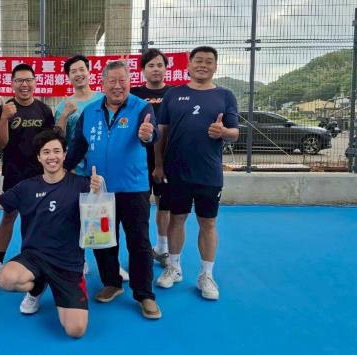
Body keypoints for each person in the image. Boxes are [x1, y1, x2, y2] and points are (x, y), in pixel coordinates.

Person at [0, 128, 102, 338]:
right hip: (34, 257)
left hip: (68, 264)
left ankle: (61, 286)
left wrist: (98, 191)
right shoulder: (26, 187)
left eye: (56, 151)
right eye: (46, 152)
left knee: (76, 330)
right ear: (39, 157)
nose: (52, 157)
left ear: (64, 154)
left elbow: (99, 219)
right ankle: (36, 288)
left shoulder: (82, 185)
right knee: (7, 280)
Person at [65, 60, 162, 319]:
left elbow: (151, 135)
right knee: (103, 239)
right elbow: (78, 146)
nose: (118, 86)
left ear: (129, 82)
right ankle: (111, 283)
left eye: (123, 81)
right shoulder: (90, 111)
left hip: (133, 187)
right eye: (112, 81)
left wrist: (148, 135)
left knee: (139, 242)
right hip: (99, 187)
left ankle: (144, 294)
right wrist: (61, 170)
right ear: (103, 83)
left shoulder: (141, 108)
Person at [153, 46, 239, 300]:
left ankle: (206, 275)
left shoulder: (225, 95)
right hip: (176, 172)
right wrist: (159, 165)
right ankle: (174, 267)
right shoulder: (173, 94)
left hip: (208, 173)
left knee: (208, 223)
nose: (203, 65)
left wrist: (223, 132)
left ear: (215, 66)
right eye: (198, 60)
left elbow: (235, 132)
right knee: (176, 219)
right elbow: (161, 133)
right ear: (188, 65)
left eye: (209, 61)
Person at [55, 54, 128, 280]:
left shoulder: (103, 99)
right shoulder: (64, 105)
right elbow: (58, 138)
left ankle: (113, 265)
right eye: (73, 71)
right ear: (68, 77)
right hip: (77, 172)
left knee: (106, 219)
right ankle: (80, 260)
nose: (78, 74)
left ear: (89, 72)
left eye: (81, 69)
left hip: (103, 172)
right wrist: (64, 115)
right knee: (77, 218)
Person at [0, 63, 55, 286]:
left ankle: (42, 262)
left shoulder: (44, 110)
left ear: (35, 82)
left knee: (40, 219)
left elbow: (50, 145)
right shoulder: (4, 108)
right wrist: (4, 118)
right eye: (19, 80)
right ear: (12, 84)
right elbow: (2, 143)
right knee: (8, 216)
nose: (24, 84)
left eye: (28, 80)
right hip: (14, 174)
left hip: (40, 176)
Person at [130, 49, 172, 267]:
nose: (156, 69)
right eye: (151, 65)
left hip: (167, 160)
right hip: (138, 160)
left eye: (159, 65)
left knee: (164, 205)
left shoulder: (174, 94)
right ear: (143, 70)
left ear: (166, 68)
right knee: (139, 208)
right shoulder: (133, 94)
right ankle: (142, 249)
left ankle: (162, 249)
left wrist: (161, 163)